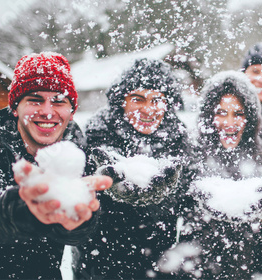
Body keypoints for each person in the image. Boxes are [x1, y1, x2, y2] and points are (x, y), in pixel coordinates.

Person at [0, 52, 112, 279]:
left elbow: (75, 234)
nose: (47, 112)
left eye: (59, 101)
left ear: (71, 111)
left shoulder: (73, 142)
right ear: (15, 108)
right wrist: (25, 208)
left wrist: (80, 218)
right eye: (35, 100)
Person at [74, 58, 194, 279]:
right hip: (101, 262)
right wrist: (107, 188)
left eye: (157, 99)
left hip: (161, 262)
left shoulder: (179, 140)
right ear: (121, 101)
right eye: (137, 99)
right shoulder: (95, 137)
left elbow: (190, 206)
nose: (148, 109)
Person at [177, 71, 262, 279]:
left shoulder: (260, 158)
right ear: (208, 116)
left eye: (238, 114)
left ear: (250, 118)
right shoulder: (190, 157)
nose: (230, 122)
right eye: (221, 113)